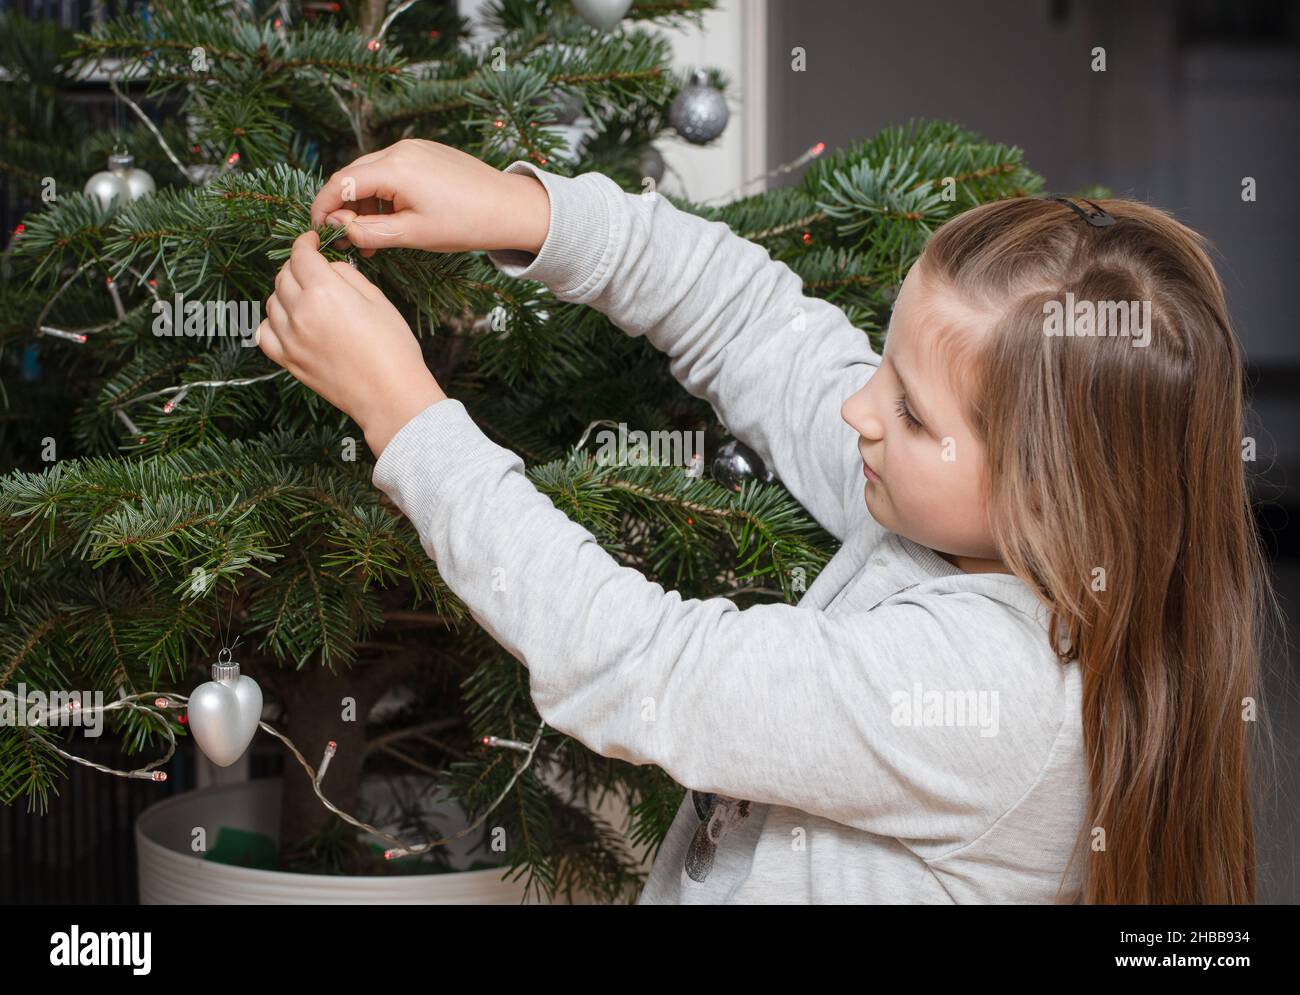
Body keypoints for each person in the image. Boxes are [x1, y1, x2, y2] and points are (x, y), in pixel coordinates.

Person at [256, 139, 1273, 903]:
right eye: (885, 364)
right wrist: (528, 210)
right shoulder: (951, 508)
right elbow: (754, 327)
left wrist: (404, 413)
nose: (858, 410)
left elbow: (643, 664)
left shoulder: (993, 692)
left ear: (1053, 491)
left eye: (912, 410)